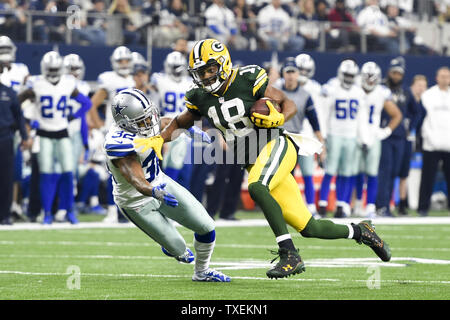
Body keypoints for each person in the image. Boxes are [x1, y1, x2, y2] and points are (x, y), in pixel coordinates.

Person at [134, 39, 392, 280]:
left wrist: (279, 118)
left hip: (277, 145)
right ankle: (361, 231)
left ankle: (289, 253)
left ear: (222, 63)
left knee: (257, 186)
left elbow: (287, 102)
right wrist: (158, 139)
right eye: (200, 73)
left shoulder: (247, 78)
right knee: (310, 227)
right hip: (256, 161)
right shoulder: (199, 96)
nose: (205, 77)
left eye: (209, 69)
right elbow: (181, 122)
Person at [105, 88, 230, 282]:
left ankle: (202, 272)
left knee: (206, 226)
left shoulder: (143, 123)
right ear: (126, 123)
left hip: (161, 182)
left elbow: (168, 122)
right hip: (136, 202)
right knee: (180, 250)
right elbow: (136, 178)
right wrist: (153, 191)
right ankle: (171, 246)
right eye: (142, 120)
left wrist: (189, 130)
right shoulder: (118, 143)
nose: (149, 122)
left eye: (148, 116)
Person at [18, 51, 92, 224]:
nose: (52, 72)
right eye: (50, 69)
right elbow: (17, 103)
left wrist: (73, 116)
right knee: (46, 175)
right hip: (44, 134)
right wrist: (29, 119)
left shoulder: (67, 83)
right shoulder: (36, 83)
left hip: (62, 132)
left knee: (67, 174)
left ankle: (69, 210)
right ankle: (47, 213)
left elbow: (86, 103)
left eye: (55, 68)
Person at [88, 45, 135, 223]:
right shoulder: (109, 79)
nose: (123, 64)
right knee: (114, 173)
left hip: (133, 132)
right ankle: (112, 211)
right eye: (120, 61)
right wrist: (100, 124)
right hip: (115, 131)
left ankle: (128, 212)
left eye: (126, 61)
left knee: (132, 174)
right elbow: (92, 104)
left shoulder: (134, 79)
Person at [273, 57, 325, 217]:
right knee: (284, 176)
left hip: (297, 137)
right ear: (283, 73)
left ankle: (311, 207)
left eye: (293, 72)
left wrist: (321, 144)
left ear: (298, 74)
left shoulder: (305, 94)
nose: (290, 75)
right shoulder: (275, 91)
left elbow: (314, 120)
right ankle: (285, 207)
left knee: (307, 172)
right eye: (287, 72)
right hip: (278, 137)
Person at [353, 62, 402, 218]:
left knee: (372, 172)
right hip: (355, 135)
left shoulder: (382, 92)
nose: (370, 80)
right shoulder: (354, 89)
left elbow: (397, 115)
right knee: (357, 172)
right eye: (367, 77)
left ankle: (370, 206)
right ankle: (358, 204)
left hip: (373, 135)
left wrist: (386, 130)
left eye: (373, 77)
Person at [318, 59, 366, 218]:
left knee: (346, 172)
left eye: (351, 75)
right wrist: (323, 136)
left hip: (351, 135)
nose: (349, 78)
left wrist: (362, 137)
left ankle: (341, 205)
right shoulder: (332, 87)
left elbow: (361, 117)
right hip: (335, 134)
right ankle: (323, 204)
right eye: (347, 75)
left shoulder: (358, 92)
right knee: (330, 170)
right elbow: (324, 113)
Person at [376, 56, 417, 216]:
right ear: (389, 72)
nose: (396, 76)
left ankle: (387, 205)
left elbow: (418, 111)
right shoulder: (381, 89)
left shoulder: (406, 91)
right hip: (384, 136)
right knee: (384, 171)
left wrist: (410, 126)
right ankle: (381, 205)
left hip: (400, 137)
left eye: (399, 73)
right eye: (394, 72)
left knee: (394, 172)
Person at [150, 51, 193, 189]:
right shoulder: (159, 79)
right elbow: (153, 106)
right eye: (174, 67)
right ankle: (166, 202)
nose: (177, 70)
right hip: (167, 128)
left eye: (179, 66)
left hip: (186, 129)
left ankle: (180, 206)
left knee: (185, 173)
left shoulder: (190, 82)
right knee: (169, 171)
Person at [417, 67, 450, 216]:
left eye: (447, 76)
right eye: (442, 76)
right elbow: (424, 119)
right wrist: (429, 138)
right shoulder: (428, 95)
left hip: (449, 144)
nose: (444, 79)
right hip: (431, 144)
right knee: (427, 178)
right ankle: (423, 208)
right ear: (437, 77)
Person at [0, 77, 31, 225]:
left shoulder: (8, 92)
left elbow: (19, 116)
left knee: (6, 177)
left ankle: (5, 214)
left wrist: (24, 136)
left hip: (5, 136)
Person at [397, 74, 428, 215]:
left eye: (424, 86)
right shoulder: (407, 97)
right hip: (400, 138)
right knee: (394, 171)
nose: (421, 89)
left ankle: (402, 204)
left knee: (405, 172)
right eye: (419, 85)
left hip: (411, 139)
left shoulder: (421, 102)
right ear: (413, 85)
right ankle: (390, 202)